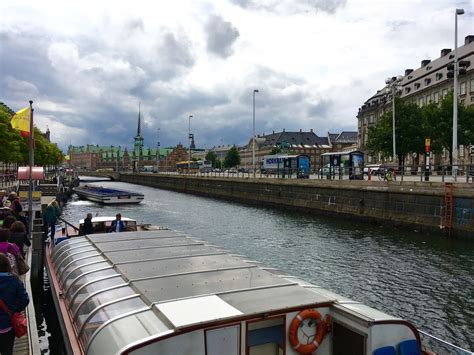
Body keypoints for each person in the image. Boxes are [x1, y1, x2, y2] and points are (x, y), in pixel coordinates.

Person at [0, 253, 30, 355]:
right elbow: (25, 300)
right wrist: (13, 310)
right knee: (7, 351)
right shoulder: (14, 280)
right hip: (7, 326)